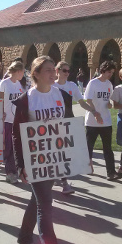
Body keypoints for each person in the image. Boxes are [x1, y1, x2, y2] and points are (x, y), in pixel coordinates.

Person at [12, 56, 74, 244]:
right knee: (45, 206)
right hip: (35, 160)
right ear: (35, 73)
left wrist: (73, 157)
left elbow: (68, 126)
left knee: (37, 200)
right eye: (47, 70)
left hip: (55, 158)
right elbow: (17, 135)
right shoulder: (26, 100)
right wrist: (21, 165)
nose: (53, 74)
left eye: (53, 70)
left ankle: (25, 236)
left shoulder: (62, 95)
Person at [53, 61, 98, 193]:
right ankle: (59, 178)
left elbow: (81, 102)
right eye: (64, 70)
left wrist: (93, 111)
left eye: (68, 71)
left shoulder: (72, 85)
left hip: (68, 120)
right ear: (57, 71)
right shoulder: (51, 85)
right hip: (54, 122)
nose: (67, 73)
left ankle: (64, 181)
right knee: (56, 152)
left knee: (65, 153)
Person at [84, 60, 117, 180]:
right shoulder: (93, 83)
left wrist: (109, 104)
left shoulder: (109, 84)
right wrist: (95, 113)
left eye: (112, 72)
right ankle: (88, 166)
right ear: (102, 70)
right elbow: (88, 100)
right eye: (109, 72)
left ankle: (111, 172)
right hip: (92, 121)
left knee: (108, 148)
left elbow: (108, 100)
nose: (110, 74)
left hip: (106, 121)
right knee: (89, 146)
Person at [0, 61, 26, 184]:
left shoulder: (18, 84)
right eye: (23, 72)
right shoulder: (4, 83)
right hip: (6, 120)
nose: (23, 75)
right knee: (7, 147)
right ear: (18, 71)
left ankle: (11, 173)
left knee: (14, 148)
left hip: (16, 120)